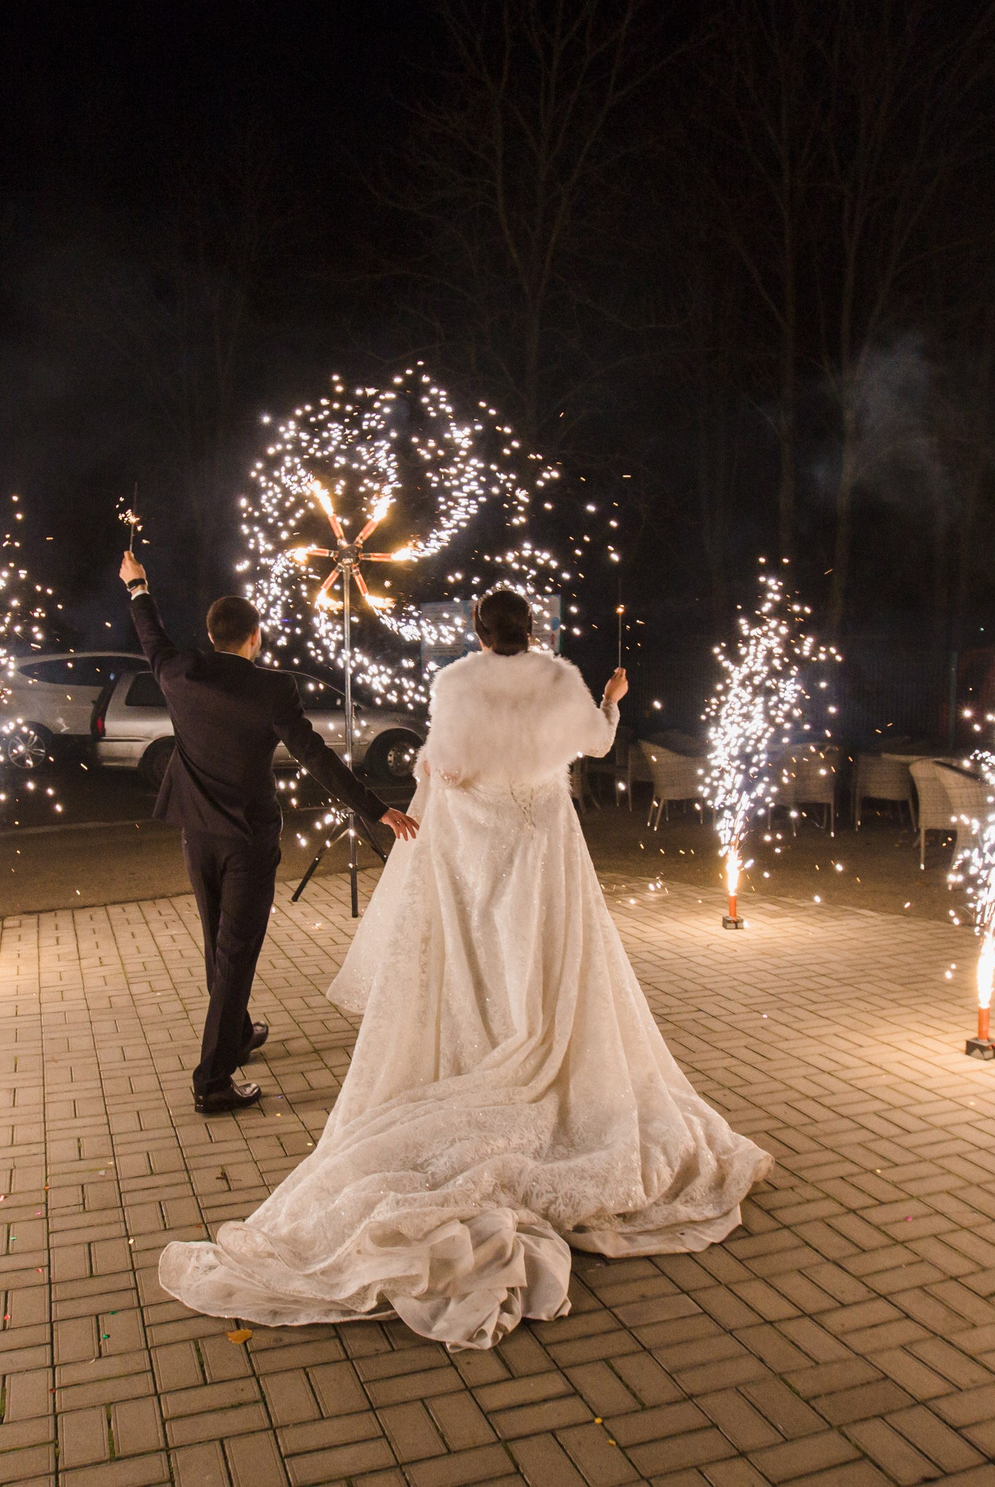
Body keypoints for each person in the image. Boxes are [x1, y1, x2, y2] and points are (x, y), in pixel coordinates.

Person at [157, 589, 772, 1349]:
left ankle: (489, 1045)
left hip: (485, 850)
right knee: (548, 953)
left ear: (478, 635)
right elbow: (598, 746)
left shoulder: (454, 683)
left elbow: (444, 770)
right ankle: (531, 1041)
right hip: (545, 841)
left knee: (485, 951)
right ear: (533, 633)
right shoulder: (560, 680)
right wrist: (612, 701)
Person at [121, 550, 421, 1117]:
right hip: (249, 839)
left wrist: (138, 584)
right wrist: (375, 808)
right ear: (254, 637)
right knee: (235, 953)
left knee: (219, 942)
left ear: (213, 635)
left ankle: (234, 1036)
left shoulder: (180, 671)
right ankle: (212, 1079)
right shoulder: (272, 688)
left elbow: (150, 635)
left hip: (197, 833)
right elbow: (315, 757)